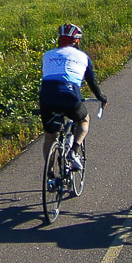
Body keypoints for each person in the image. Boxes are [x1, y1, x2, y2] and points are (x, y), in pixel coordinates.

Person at [39, 23, 107, 171]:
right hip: (70, 95)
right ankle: (74, 151)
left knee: (50, 136)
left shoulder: (48, 55)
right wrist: (101, 97)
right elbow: (92, 82)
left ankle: (50, 176)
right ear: (76, 41)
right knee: (84, 120)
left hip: (47, 96)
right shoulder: (83, 57)